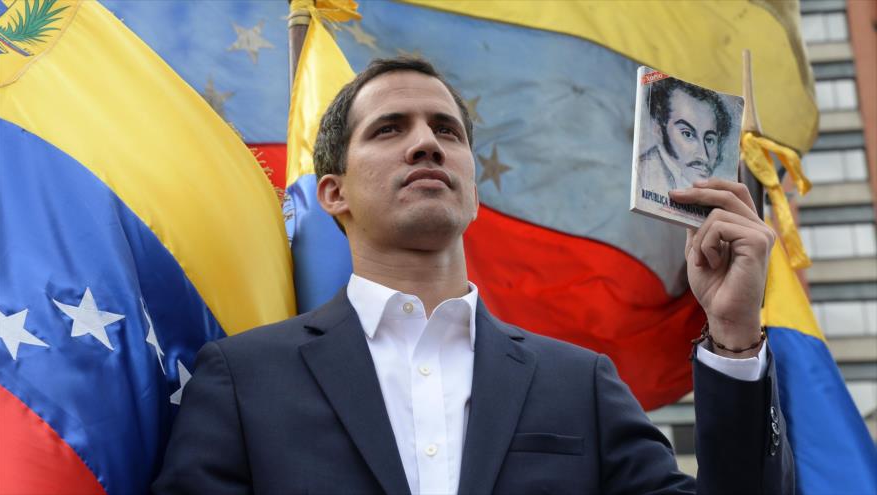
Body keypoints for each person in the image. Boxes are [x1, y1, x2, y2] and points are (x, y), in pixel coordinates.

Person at [154, 58, 792, 494]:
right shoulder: (241, 380)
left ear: (472, 188)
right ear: (333, 192)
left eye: (447, 131)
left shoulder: (580, 384)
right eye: (389, 129)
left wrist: (734, 336)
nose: (426, 143)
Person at [637, 77, 733, 192]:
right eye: (687, 134)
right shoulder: (640, 176)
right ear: (659, 129)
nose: (703, 156)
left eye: (709, 140)